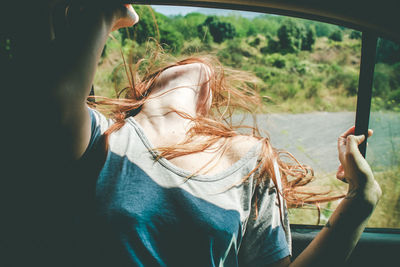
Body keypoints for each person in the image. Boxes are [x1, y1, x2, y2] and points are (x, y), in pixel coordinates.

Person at [2, 2, 381, 267]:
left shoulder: (251, 157)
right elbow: (51, 106)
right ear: (145, 90)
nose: (200, 63)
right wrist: (105, 13)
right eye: (180, 63)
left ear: (208, 105)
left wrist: (360, 203)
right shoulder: (104, 133)